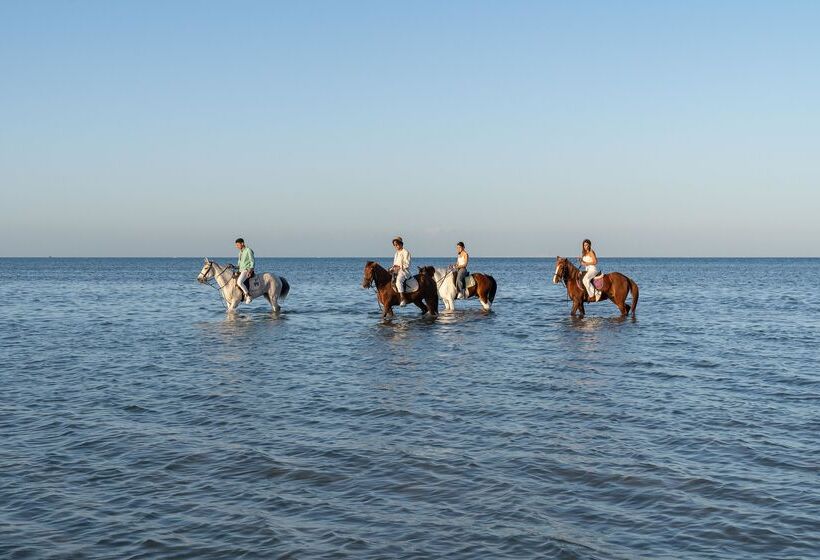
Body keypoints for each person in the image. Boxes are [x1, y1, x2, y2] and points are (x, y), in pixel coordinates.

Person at [391, 236, 411, 306]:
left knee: (398, 281)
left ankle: (403, 299)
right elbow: (394, 264)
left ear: (401, 244)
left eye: (397, 244)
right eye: (394, 245)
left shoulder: (406, 252)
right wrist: (392, 268)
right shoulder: (396, 254)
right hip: (396, 271)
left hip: (404, 271)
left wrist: (399, 267)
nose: (396, 246)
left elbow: (407, 264)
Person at [235, 237, 255, 304]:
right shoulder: (240, 252)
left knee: (239, 282)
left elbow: (252, 261)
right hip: (241, 270)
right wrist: (233, 266)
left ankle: (248, 296)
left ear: (242, 243)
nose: (237, 246)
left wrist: (250, 270)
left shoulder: (248, 250)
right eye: (236, 245)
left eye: (238, 245)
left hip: (246, 270)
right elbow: (239, 264)